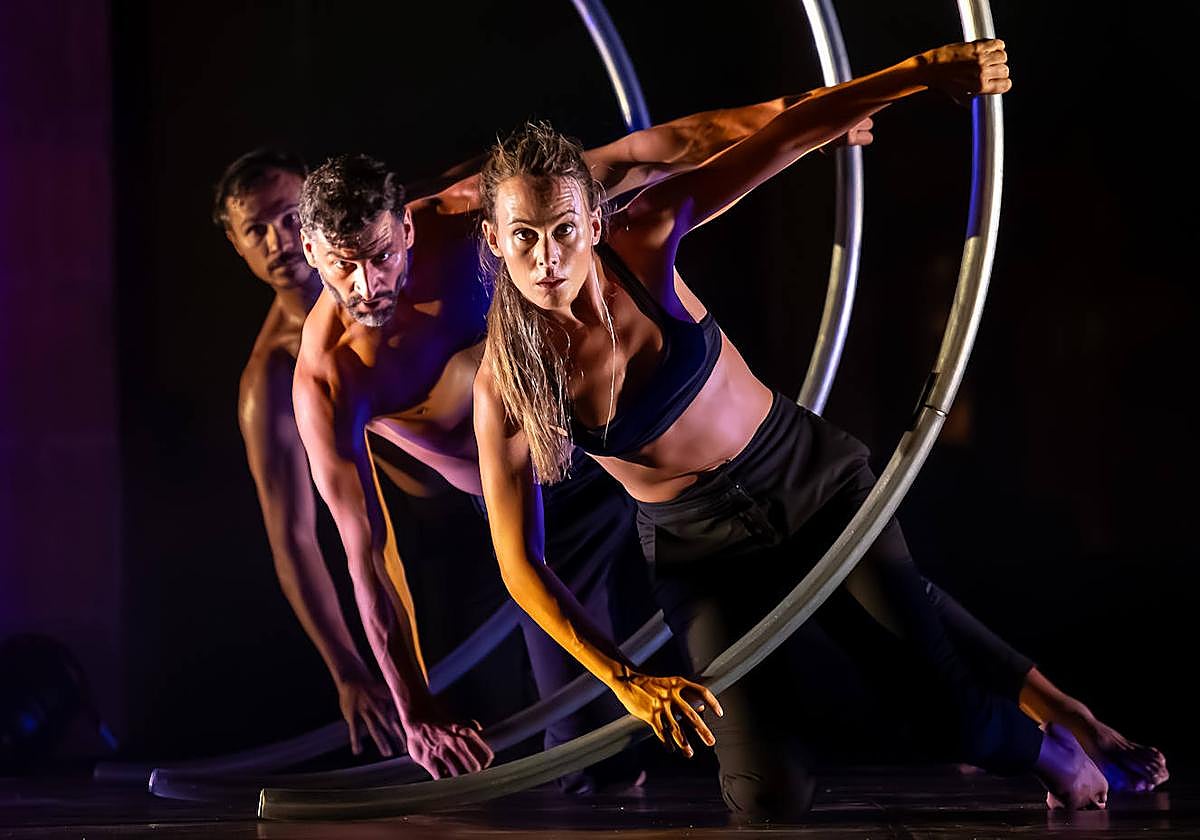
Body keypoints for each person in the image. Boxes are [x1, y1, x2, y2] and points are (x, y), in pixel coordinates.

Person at [471, 38, 1152, 819]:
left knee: (947, 716)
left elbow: (787, 140)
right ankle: (857, 717)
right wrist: (626, 677)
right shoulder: (504, 382)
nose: (546, 256)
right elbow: (518, 565)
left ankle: (1053, 747)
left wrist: (921, 75)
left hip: (807, 483)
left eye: (561, 229)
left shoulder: (646, 238)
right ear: (494, 238)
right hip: (700, 554)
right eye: (522, 236)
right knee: (766, 801)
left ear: (594, 221)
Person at [281, 94, 869, 785]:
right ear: (312, 253)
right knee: (594, 753)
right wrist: (415, 707)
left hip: (634, 441)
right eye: (341, 266)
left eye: (379, 256)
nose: (366, 284)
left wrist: (803, 117)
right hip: (538, 506)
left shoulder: (474, 217)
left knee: (820, 604)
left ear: (405, 228)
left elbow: (642, 157)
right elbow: (369, 553)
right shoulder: (327, 381)